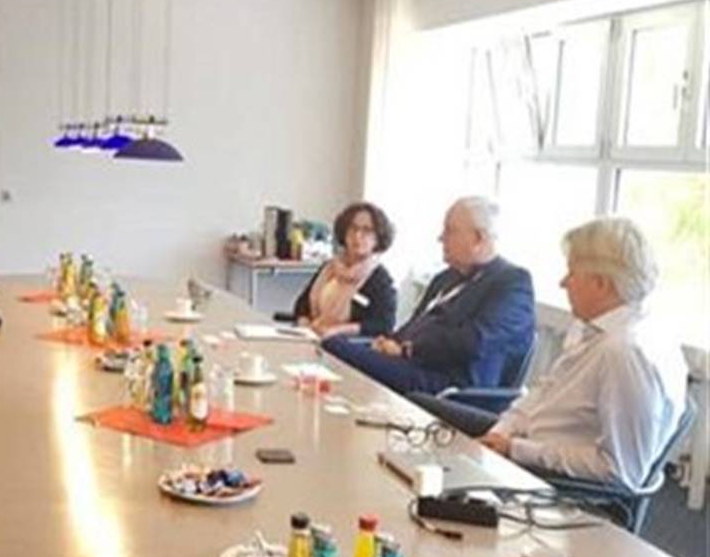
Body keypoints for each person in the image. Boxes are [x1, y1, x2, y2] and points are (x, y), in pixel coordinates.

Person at [412, 218, 688, 489]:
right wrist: (501, 432)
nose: (563, 283)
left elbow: (619, 470)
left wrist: (515, 449)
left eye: (572, 273)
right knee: (418, 405)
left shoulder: (624, 353)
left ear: (602, 284)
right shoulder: (595, 328)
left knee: (422, 442)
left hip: (546, 475)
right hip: (524, 438)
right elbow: (542, 393)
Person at [323, 196, 535, 395]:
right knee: (334, 344)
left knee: (334, 347)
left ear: (478, 238)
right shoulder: (445, 278)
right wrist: (389, 342)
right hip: (411, 364)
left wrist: (408, 349)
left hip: (450, 383)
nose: (440, 238)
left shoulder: (512, 282)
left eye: (450, 231)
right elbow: (415, 323)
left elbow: (475, 341)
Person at [292, 201, 397, 338]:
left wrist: (338, 330)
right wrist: (304, 324)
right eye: (353, 228)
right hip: (311, 337)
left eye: (366, 230)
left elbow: (383, 325)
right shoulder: (329, 268)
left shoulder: (380, 279)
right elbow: (301, 305)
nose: (357, 236)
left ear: (378, 238)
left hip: (347, 345)